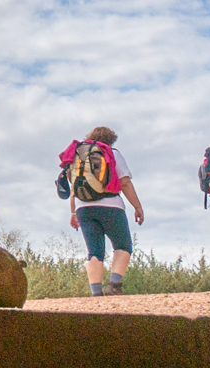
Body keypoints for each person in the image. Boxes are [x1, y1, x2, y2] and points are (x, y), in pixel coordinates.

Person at [69, 125, 145, 296]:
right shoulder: (112, 153)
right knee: (122, 246)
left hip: (83, 208)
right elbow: (125, 182)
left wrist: (73, 213)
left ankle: (96, 292)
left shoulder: (78, 156)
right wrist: (137, 207)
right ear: (110, 140)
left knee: (94, 251)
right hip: (111, 206)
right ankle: (114, 286)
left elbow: (73, 188)